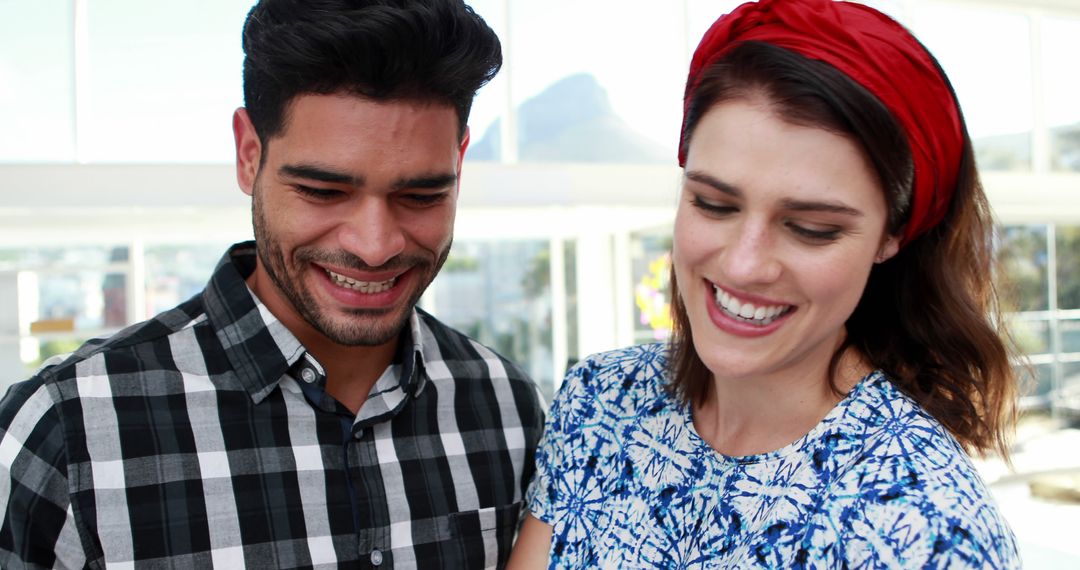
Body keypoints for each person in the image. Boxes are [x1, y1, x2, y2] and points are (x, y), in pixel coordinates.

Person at [0, 1, 544, 568]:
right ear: (248, 154)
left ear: (459, 163)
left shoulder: (506, 405)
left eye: (421, 196)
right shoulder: (67, 428)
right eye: (323, 191)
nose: (375, 244)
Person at [508, 0, 1021, 567]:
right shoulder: (600, 402)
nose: (745, 265)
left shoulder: (927, 530)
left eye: (811, 229)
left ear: (891, 237)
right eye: (713, 204)